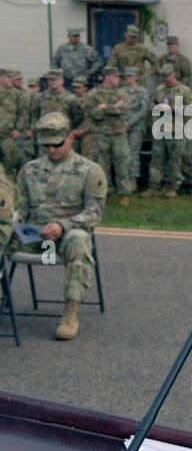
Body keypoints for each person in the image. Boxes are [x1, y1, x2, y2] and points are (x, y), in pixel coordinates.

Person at [6, 111, 106, 340]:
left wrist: (63, 226)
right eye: (45, 146)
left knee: (79, 238)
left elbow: (94, 212)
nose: (51, 150)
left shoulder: (89, 171)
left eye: (56, 144)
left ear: (70, 138)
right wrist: (15, 217)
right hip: (33, 238)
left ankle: (71, 311)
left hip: (64, 239)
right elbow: (20, 205)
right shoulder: (29, 169)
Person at [142, 65, 192, 198]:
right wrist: (155, 107)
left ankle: (173, 186)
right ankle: (154, 186)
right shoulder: (160, 89)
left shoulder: (184, 91)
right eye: (163, 78)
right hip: (161, 129)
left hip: (177, 130)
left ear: (173, 75)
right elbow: (151, 103)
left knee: (176, 160)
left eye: (167, 78)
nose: (165, 81)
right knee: (157, 159)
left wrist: (172, 108)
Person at [84, 65, 135, 206]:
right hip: (101, 134)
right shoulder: (93, 94)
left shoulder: (122, 93)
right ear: (107, 77)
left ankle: (125, 194)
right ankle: (103, 193)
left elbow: (124, 109)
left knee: (122, 163)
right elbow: (93, 114)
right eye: (116, 77)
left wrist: (104, 107)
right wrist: (114, 107)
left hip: (118, 134)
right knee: (101, 165)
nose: (119, 79)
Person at [121, 66, 150, 187]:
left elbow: (143, 110)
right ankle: (124, 178)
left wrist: (130, 123)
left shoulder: (142, 91)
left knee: (133, 153)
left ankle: (133, 179)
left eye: (131, 76)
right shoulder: (122, 91)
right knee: (123, 153)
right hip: (123, 126)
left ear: (136, 77)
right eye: (127, 75)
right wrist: (123, 123)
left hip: (136, 127)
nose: (129, 78)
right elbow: (119, 108)